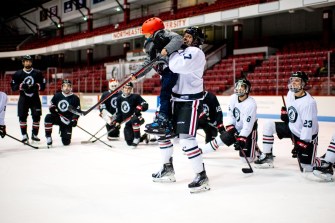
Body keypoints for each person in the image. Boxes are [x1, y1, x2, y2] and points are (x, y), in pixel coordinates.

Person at [151, 27, 210, 193]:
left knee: (186, 140)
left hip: (188, 102)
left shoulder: (196, 53)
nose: (185, 39)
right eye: (184, 36)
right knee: (162, 133)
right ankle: (167, 169)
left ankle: (201, 175)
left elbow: (178, 67)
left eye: (189, 36)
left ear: (197, 40)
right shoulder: (181, 51)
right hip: (173, 99)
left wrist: (167, 52)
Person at [254, 71, 323, 174]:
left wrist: (301, 144)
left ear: (303, 84)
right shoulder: (290, 93)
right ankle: (267, 156)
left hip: (306, 136)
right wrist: (286, 113)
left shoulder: (308, 103)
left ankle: (325, 160)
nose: (293, 83)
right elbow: (292, 110)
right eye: (292, 80)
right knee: (268, 125)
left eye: (297, 81)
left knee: (307, 167)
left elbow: (308, 126)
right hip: (292, 128)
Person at [132, 17, 183, 136]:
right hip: (164, 72)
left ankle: (163, 120)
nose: (144, 36)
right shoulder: (151, 44)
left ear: (151, 31)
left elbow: (178, 39)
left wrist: (166, 48)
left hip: (171, 70)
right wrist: (137, 74)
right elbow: (148, 63)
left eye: (145, 34)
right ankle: (167, 120)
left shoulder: (164, 34)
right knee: (165, 96)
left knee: (165, 95)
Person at [200, 79, 259, 163]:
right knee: (219, 140)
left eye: (242, 87)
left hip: (248, 132)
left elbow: (248, 126)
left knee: (246, 160)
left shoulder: (251, 104)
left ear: (247, 89)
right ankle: (200, 151)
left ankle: (256, 149)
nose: (239, 89)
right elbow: (230, 114)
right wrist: (231, 126)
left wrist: (241, 138)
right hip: (236, 128)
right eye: (238, 86)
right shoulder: (233, 98)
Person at [10, 55, 46, 143]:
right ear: (23, 62)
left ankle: (34, 135)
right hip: (23, 98)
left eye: (29, 61)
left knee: (36, 117)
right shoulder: (18, 74)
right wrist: (21, 86)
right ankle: (24, 135)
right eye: (26, 61)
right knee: (22, 117)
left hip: (35, 98)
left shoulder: (38, 73)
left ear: (31, 62)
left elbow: (43, 85)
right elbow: (13, 87)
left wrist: (37, 86)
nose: (28, 63)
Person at [44, 79, 80, 146]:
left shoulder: (75, 98)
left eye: (68, 86)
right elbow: (52, 106)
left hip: (68, 120)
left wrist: (74, 119)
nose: (66, 88)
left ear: (71, 87)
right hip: (58, 117)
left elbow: (77, 112)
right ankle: (48, 136)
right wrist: (52, 109)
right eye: (65, 86)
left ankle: (64, 131)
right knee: (48, 117)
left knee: (66, 143)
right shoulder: (57, 95)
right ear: (62, 87)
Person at [114, 82, 148, 148]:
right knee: (129, 142)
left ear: (131, 89)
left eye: (129, 88)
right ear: (123, 88)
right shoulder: (119, 99)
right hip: (128, 122)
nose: (127, 90)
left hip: (137, 118)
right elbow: (119, 112)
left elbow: (145, 104)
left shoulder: (136, 97)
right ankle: (144, 137)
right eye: (125, 88)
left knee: (134, 119)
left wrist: (140, 107)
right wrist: (118, 122)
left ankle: (137, 137)